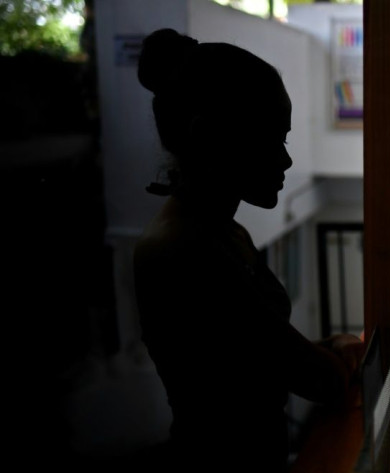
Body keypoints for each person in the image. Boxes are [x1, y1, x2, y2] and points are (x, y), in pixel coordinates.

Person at [133, 28, 364, 471]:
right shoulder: (188, 251)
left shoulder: (212, 231)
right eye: (270, 138)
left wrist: (330, 347)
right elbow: (316, 378)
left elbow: (253, 355)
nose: (285, 160)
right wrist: (338, 359)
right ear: (208, 136)